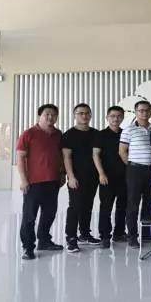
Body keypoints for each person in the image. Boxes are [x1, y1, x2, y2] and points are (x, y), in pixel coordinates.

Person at [16, 104, 64, 260]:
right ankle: (28, 247)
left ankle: (44, 241)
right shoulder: (28, 134)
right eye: (47, 114)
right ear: (39, 116)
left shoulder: (58, 134)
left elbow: (61, 156)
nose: (50, 117)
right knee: (30, 216)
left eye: (54, 114)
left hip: (53, 181)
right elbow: (20, 157)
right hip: (33, 182)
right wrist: (23, 179)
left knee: (49, 213)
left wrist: (62, 174)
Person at [62, 103, 100, 252]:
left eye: (87, 113)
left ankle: (84, 234)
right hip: (76, 177)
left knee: (87, 205)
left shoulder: (96, 133)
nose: (84, 116)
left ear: (90, 115)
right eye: (81, 113)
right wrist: (70, 176)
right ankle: (71, 237)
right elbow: (66, 157)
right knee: (75, 206)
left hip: (93, 176)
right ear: (75, 115)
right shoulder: (69, 135)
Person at [119, 100, 151, 248]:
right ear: (136, 112)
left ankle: (146, 234)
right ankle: (132, 236)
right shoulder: (129, 129)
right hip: (134, 170)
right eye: (141, 110)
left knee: (149, 203)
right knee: (133, 204)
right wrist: (132, 166)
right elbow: (122, 151)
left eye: (147, 110)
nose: (144, 113)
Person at [93, 106, 128, 248]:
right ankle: (104, 236)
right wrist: (101, 173)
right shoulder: (100, 135)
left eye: (119, 116)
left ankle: (119, 233)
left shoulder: (126, 133)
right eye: (113, 116)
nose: (116, 119)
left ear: (122, 118)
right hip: (107, 177)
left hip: (125, 176)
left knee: (122, 206)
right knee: (106, 207)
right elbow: (95, 155)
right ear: (107, 118)